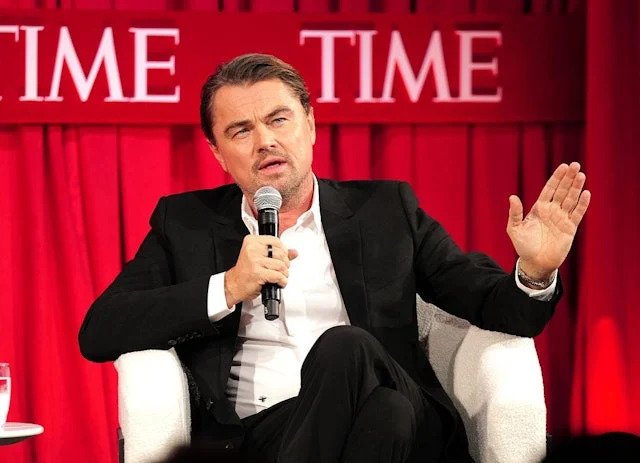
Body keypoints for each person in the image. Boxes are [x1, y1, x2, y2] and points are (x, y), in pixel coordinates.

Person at [78, 53, 591, 463]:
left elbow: (489, 302)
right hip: (264, 434)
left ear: (310, 124)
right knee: (384, 417)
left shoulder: (386, 210)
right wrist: (227, 287)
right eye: (241, 131)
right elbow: (100, 330)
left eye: (279, 119)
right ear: (217, 153)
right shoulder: (185, 223)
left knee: (347, 349)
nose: (265, 141)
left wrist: (535, 272)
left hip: (412, 420)